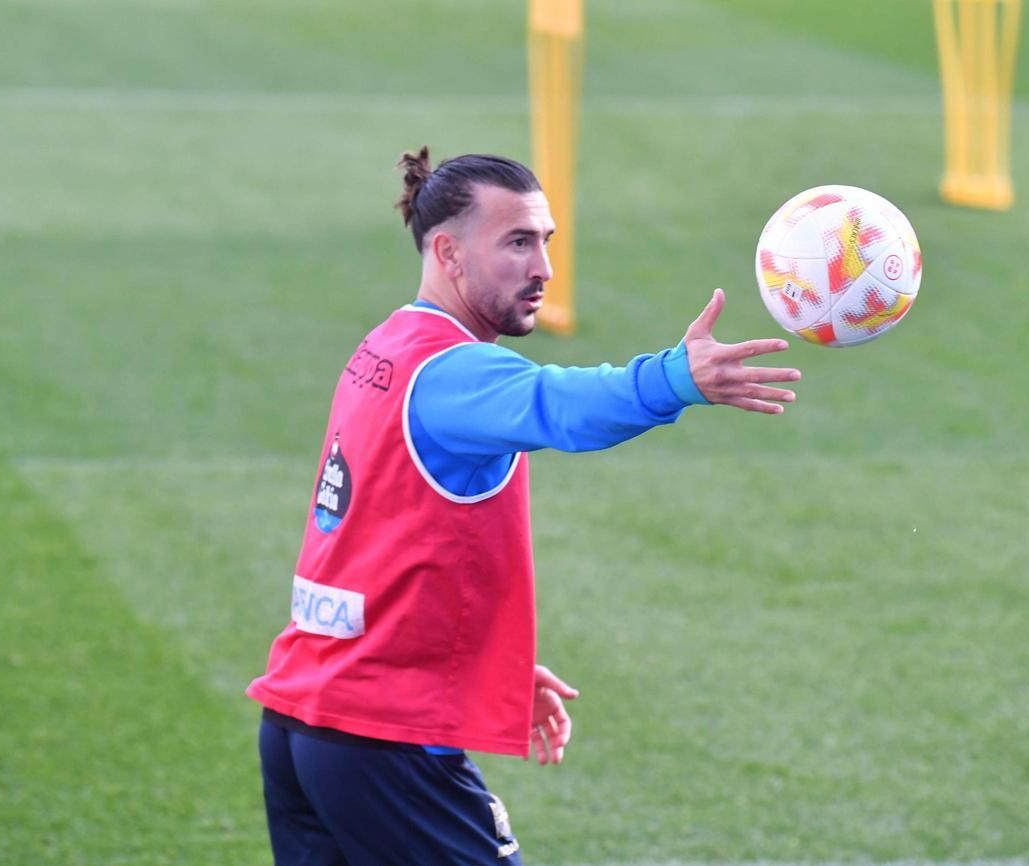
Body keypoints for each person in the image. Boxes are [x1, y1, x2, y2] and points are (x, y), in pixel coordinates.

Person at [247, 146, 801, 865]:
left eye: (545, 241)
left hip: (303, 721)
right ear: (447, 251)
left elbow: (381, 534)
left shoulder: (386, 348)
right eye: (517, 242)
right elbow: (557, 405)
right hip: (381, 740)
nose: (542, 267)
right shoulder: (451, 374)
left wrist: (480, 657)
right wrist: (676, 377)